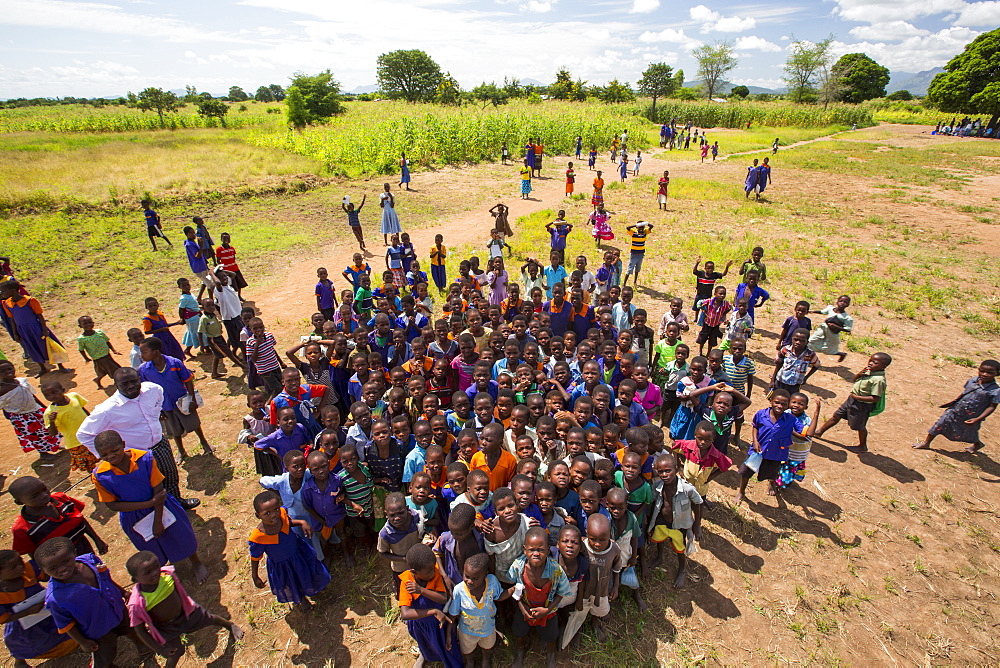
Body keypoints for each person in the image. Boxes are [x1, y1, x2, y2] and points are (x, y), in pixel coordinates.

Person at [91, 430, 209, 583]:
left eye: (115, 450)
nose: (111, 456)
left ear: (123, 445)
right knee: (151, 546)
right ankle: (162, 571)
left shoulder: (144, 458)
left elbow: (158, 491)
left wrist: (157, 519)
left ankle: (196, 562)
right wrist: (149, 503)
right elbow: (112, 505)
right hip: (134, 516)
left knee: (181, 536)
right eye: (104, 455)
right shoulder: (100, 475)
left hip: (162, 507)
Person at [76, 367, 199, 509]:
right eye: (124, 384)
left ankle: (176, 503)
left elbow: (159, 399)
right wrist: (108, 455)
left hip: (160, 444)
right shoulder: (107, 410)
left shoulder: (153, 389)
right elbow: (83, 434)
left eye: (134, 381)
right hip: (136, 456)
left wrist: (155, 414)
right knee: (148, 486)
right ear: (116, 385)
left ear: (140, 379)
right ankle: (159, 511)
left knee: (170, 476)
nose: (130, 386)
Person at [126, 550, 243, 666]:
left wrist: (188, 605)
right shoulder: (137, 603)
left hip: (186, 613)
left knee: (210, 619)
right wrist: (159, 649)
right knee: (175, 652)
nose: (155, 572)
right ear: (135, 580)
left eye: (157, 566)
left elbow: (179, 593)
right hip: (166, 628)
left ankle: (229, 625)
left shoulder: (166, 575)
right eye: (148, 572)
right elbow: (140, 630)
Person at [34, 538, 134, 668]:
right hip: (98, 629)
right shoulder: (55, 598)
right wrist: (82, 642)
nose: (62, 569)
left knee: (130, 629)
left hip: (117, 609)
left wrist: (123, 592)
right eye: (53, 568)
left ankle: (143, 646)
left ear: (74, 553)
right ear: (43, 570)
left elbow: (106, 580)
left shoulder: (90, 560)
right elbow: (66, 624)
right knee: (106, 654)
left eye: (66, 561)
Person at [249, 490, 331, 609]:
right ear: (258, 515)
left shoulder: (282, 514)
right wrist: (255, 576)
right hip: (283, 564)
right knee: (293, 581)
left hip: (299, 553)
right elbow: (255, 558)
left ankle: (313, 588)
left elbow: (288, 522)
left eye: (276, 509)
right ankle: (301, 599)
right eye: (267, 513)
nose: (273, 515)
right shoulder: (258, 537)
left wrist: (301, 522)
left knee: (306, 572)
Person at [137, 336, 212, 460]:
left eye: (144, 352)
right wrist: (157, 410)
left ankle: (204, 442)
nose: (142, 355)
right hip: (164, 405)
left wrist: (192, 399)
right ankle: (181, 451)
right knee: (173, 429)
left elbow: (188, 380)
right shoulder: (144, 370)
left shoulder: (174, 363)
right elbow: (146, 392)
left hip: (182, 401)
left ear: (155, 352)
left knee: (193, 423)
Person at [0, 549, 78, 666]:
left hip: (46, 610)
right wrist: (29, 611)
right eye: (13, 567)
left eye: (20, 561)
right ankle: (20, 661)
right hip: (25, 624)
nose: (20, 567)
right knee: (20, 644)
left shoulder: (29, 569)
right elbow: (3, 619)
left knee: (67, 627)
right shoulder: (1, 593)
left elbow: (46, 577)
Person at [508, 526, 571, 668]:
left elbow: (561, 593)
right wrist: (522, 608)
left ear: (548, 550)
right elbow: (515, 589)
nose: (536, 554)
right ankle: (519, 651)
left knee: (551, 635)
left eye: (541, 550)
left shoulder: (555, 569)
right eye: (531, 550)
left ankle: (550, 654)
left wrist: (547, 610)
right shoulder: (518, 567)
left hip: (547, 611)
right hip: (525, 607)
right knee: (519, 631)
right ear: (525, 549)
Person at [9, 475, 108, 558]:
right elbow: (32, 552)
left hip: (83, 547)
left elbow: (79, 519)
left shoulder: (61, 500)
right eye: (35, 496)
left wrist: (97, 540)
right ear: (19, 502)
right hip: (60, 561)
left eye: (44, 489)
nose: (44, 495)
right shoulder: (22, 528)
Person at [398, 543, 463, 668]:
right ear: (414, 572)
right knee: (426, 644)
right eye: (429, 571)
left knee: (447, 647)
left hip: (439, 623)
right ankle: (425, 656)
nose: (433, 572)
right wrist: (433, 611)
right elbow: (405, 614)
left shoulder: (434, 572)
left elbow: (443, 599)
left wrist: (421, 590)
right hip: (420, 624)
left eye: (434, 568)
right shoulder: (407, 582)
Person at [914, 359, 999, 453]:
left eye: (989, 373)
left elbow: (992, 407)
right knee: (940, 424)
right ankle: (926, 443)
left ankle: (977, 444)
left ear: (997, 374)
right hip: (955, 410)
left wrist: (977, 419)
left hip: (972, 416)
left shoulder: (995, 391)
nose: (984, 374)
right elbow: (964, 393)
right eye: (982, 371)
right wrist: (953, 402)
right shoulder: (973, 381)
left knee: (969, 432)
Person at [561, 512, 619, 646]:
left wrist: (615, 586)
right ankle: (578, 628)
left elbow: (617, 569)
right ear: (586, 533)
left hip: (601, 589)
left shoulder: (614, 549)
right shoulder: (582, 546)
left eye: (602, 539)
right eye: (593, 539)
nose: (597, 544)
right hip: (583, 588)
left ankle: (595, 623)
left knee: (598, 609)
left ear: (609, 535)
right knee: (579, 608)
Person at [814, 353, 891, 453]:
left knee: (859, 426)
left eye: (875, 362)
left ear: (883, 366)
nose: (870, 363)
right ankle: (819, 432)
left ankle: (862, 446)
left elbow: (875, 398)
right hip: (852, 400)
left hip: (862, 405)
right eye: (870, 361)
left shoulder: (879, 380)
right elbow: (854, 380)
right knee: (837, 415)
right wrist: (859, 374)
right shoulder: (868, 371)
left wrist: (856, 397)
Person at [647, 452, 703, 587]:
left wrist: (697, 525)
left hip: (680, 524)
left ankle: (682, 569)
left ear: (676, 470)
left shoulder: (687, 488)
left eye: (668, 471)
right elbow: (653, 503)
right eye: (661, 472)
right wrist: (649, 522)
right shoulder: (657, 486)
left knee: (680, 548)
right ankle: (660, 557)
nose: (665, 475)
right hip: (661, 521)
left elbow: (698, 504)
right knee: (659, 538)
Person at [735, 390, 796, 504]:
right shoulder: (761, 414)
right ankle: (741, 491)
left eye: (784, 404)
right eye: (777, 402)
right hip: (758, 450)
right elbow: (755, 426)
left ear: (788, 405)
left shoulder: (790, 419)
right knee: (746, 472)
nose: (779, 406)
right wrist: (755, 441)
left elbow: (806, 432)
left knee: (772, 471)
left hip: (776, 453)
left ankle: (771, 482)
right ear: (771, 401)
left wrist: (816, 413)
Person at [1, 280, 71, 376]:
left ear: (13, 291)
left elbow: (40, 316)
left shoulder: (30, 301)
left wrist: (44, 329)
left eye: (3, 291)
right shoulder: (6, 304)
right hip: (23, 331)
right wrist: (15, 333)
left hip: (36, 328)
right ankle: (43, 368)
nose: (2, 293)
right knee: (32, 348)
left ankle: (61, 366)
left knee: (48, 346)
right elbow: (12, 319)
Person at [0, 360, 61, 458]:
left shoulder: (22, 381)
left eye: (9, 368)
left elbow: (33, 396)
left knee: (46, 428)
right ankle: (43, 453)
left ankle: (53, 445)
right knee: (34, 435)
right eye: (3, 371)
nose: (8, 372)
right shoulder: (2, 390)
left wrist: (44, 408)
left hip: (36, 410)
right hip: (22, 418)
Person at [41, 379, 100, 471]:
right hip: (75, 442)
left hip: (90, 433)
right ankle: (96, 479)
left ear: (63, 390)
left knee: (102, 454)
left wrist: (92, 423)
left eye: (54, 392)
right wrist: (52, 421)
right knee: (88, 464)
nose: (51, 396)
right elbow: (52, 433)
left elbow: (83, 410)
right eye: (47, 395)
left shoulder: (74, 396)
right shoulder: (49, 412)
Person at [76, 315, 121, 389]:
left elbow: (107, 341)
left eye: (90, 322)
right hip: (98, 359)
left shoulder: (99, 332)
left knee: (104, 372)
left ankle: (98, 380)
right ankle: (118, 382)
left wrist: (114, 350)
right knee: (114, 370)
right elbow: (81, 350)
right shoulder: (81, 339)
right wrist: (86, 358)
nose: (88, 325)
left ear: (93, 323)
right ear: (80, 326)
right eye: (85, 323)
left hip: (107, 355)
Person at [808, 295, 853, 363]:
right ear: (837, 301)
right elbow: (823, 312)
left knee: (829, 349)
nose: (842, 303)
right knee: (811, 341)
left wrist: (835, 326)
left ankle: (841, 354)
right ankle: (808, 358)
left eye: (845, 302)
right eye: (841, 301)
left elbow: (847, 329)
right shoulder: (830, 309)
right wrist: (812, 311)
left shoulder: (847, 318)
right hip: (822, 329)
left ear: (848, 305)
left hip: (832, 333)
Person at [141, 296, 185, 361]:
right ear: (146, 307)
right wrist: (161, 330)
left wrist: (176, 323)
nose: (153, 307)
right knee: (166, 353)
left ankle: (180, 368)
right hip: (159, 338)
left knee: (176, 351)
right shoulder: (147, 318)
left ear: (158, 305)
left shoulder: (159, 314)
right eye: (150, 306)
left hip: (168, 336)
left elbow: (165, 325)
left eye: (154, 305)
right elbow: (147, 332)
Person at [214, 232, 247, 299]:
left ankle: (239, 296)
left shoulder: (232, 248)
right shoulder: (219, 249)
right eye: (224, 238)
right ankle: (234, 297)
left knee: (239, 283)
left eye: (228, 238)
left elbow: (233, 258)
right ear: (221, 239)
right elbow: (218, 260)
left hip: (235, 268)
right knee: (231, 284)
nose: (226, 239)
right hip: (227, 270)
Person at [622, 221, 652, 287]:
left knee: (637, 269)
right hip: (634, 254)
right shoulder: (634, 233)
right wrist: (636, 225)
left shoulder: (645, 232)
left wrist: (645, 223)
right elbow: (627, 228)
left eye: (642, 227)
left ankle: (635, 282)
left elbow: (651, 226)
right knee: (629, 269)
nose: (641, 229)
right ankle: (624, 283)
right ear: (637, 228)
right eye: (639, 227)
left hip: (641, 254)